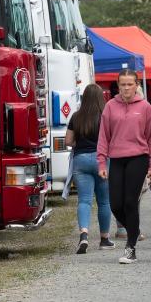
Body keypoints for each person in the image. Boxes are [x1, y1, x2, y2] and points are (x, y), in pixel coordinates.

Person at [97, 69, 151, 264]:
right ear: (118, 85)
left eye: (129, 84)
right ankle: (134, 229)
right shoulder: (110, 106)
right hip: (116, 159)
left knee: (130, 202)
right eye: (122, 84)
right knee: (115, 203)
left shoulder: (146, 107)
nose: (125, 88)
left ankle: (130, 247)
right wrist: (101, 162)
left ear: (136, 85)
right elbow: (103, 136)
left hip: (138, 158)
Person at [65, 83, 114, 254]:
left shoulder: (76, 116)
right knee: (104, 201)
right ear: (101, 98)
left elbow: (68, 142)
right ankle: (104, 239)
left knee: (84, 200)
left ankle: (84, 235)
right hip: (102, 160)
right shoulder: (106, 116)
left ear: (84, 98)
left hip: (81, 160)